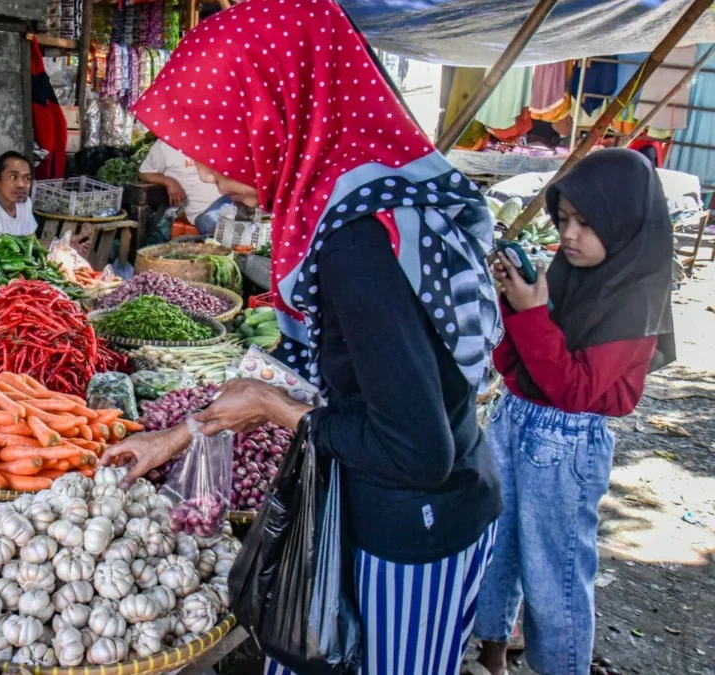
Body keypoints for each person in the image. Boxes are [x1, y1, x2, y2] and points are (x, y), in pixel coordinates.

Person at [103, 1, 505, 674]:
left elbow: (416, 449)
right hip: (397, 505)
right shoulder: (354, 196)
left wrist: (272, 408)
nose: (218, 179)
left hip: (415, 526)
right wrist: (175, 437)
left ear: (277, 112)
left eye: (224, 149)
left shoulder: (358, 240)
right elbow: (305, 372)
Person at [472, 149, 675, 675]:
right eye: (563, 219)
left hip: (566, 442)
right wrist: (508, 303)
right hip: (515, 417)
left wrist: (532, 314)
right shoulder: (564, 275)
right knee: (496, 544)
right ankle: (490, 652)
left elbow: (575, 389)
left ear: (624, 222)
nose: (569, 235)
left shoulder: (635, 299)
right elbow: (512, 364)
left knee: (554, 571)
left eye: (587, 223)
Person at [139, 139, 225, 234]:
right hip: (204, 211)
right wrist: (169, 181)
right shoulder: (164, 144)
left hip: (230, 200)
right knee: (225, 235)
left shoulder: (211, 138)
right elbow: (145, 173)